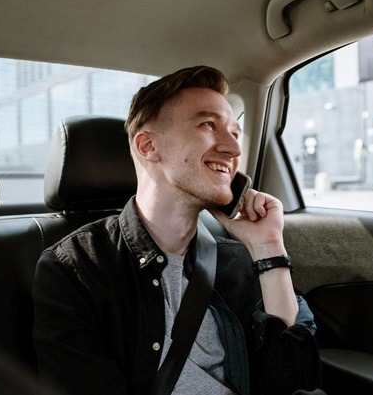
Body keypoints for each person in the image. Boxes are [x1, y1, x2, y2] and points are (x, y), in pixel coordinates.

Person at [32, 65, 321, 395]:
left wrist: (268, 247)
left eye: (235, 132)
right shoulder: (77, 268)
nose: (234, 149)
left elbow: (296, 384)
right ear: (147, 146)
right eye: (207, 125)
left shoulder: (239, 261)